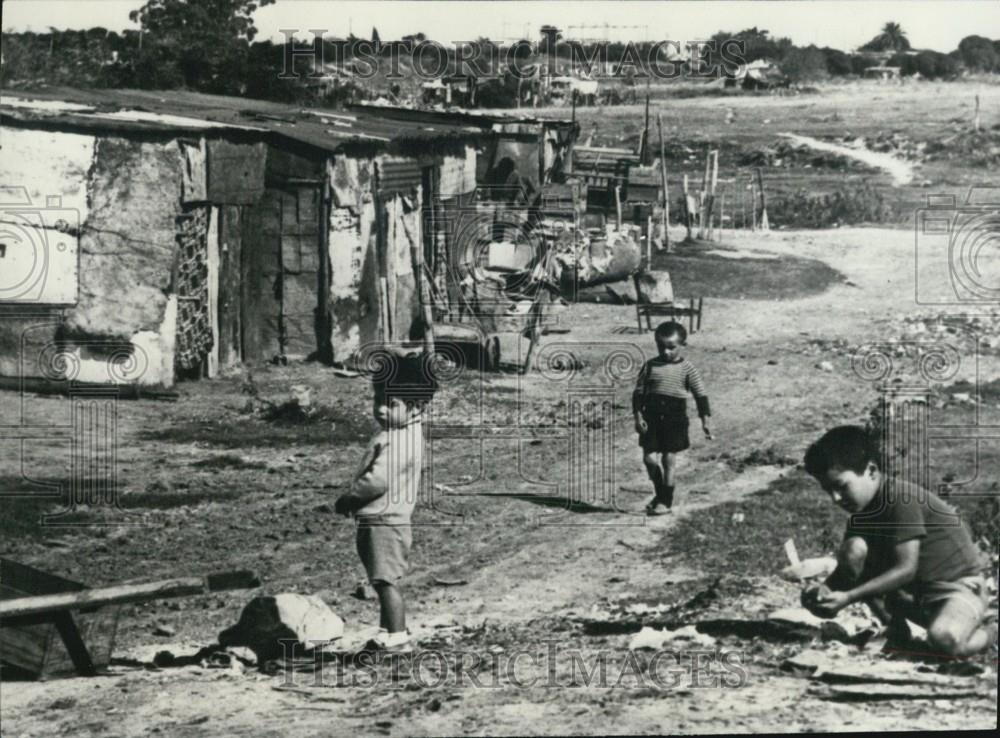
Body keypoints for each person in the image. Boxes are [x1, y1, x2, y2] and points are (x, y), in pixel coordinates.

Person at [802, 425, 996, 657]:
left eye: (842, 487)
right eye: (828, 491)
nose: (835, 498)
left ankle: (993, 628)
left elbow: (906, 569)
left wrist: (848, 597)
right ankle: (896, 629)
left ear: (872, 471)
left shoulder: (900, 500)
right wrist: (822, 592)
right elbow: (848, 571)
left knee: (945, 640)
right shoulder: (862, 514)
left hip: (958, 590)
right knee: (853, 549)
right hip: (916, 598)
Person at [335, 350, 437, 654]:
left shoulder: (398, 440)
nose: (380, 409)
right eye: (377, 401)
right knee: (383, 579)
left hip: (383, 520)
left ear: (415, 406)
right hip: (388, 519)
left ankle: (397, 636)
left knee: (384, 581)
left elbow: (377, 481)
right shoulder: (408, 431)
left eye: (390, 404)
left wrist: (349, 499)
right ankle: (388, 632)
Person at [633, 321, 712, 515]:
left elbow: (700, 394)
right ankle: (660, 493)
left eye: (671, 348)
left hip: (674, 418)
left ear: (682, 345)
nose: (666, 352)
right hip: (651, 418)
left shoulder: (687, 369)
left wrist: (706, 420)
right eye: (661, 347)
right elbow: (638, 393)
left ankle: (665, 501)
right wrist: (638, 416)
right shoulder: (650, 366)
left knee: (669, 459)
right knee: (649, 459)